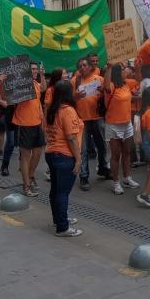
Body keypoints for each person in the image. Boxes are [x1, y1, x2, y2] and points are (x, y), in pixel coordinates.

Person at [45, 80, 85, 237]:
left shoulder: (51, 110)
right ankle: (63, 227)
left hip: (51, 152)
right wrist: (79, 159)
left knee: (55, 190)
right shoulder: (68, 111)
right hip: (64, 155)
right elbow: (71, 137)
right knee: (62, 192)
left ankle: (59, 219)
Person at [72, 57, 110, 190]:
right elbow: (69, 100)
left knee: (102, 146)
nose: (82, 67)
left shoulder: (99, 79)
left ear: (90, 67)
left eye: (85, 65)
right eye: (80, 66)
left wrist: (103, 92)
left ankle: (103, 168)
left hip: (98, 118)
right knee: (83, 150)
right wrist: (76, 97)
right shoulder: (75, 81)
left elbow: (108, 95)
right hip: (82, 121)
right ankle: (84, 176)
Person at [103, 63, 139, 194]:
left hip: (127, 124)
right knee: (115, 155)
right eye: (124, 70)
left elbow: (138, 83)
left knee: (127, 152)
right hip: (113, 125)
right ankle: (116, 182)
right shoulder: (111, 85)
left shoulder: (125, 85)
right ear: (118, 72)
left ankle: (127, 178)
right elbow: (106, 87)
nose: (126, 71)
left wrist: (139, 67)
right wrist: (109, 68)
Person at [14, 61, 47, 197]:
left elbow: (44, 88)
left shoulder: (36, 84)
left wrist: (41, 74)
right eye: (32, 69)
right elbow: (9, 98)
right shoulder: (21, 85)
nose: (34, 71)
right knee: (26, 155)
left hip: (37, 123)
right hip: (24, 124)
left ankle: (30, 176)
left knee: (38, 152)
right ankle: (26, 185)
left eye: (35, 69)